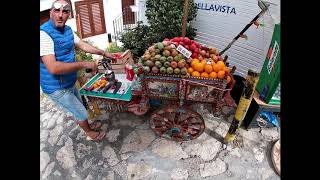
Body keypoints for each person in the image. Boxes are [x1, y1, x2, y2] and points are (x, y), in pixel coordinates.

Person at [40, 0, 114, 141]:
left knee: (79, 106)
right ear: (50, 12)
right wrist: (85, 63)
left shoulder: (67, 30)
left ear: (69, 14)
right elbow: (53, 67)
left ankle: (87, 123)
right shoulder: (43, 35)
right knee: (80, 112)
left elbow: (82, 45)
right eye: (57, 11)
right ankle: (89, 133)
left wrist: (103, 53)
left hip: (69, 81)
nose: (60, 15)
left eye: (65, 11)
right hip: (56, 87)